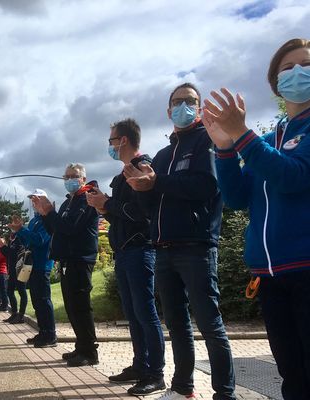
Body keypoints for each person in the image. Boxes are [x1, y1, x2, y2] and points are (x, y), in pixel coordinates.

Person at [202, 38, 310, 399]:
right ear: (274, 81)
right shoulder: (269, 137)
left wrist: (242, 135)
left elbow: (293, 176)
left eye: (306, 65)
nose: (297, 72)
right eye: (287, 67)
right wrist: (224, 147)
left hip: (306, 268)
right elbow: (236, 197)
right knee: (291, 373)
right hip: (270, 275)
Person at [124, 83, 235, 400]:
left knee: (210, 325)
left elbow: (207, 186)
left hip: (196, 246)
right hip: (163, 249)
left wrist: (158, 181)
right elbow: (150, 208)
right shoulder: (161, 155)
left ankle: (225, 394)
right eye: (177, 102)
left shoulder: (206, 142)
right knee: (177, 325)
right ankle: (183, 388)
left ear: (199, 108)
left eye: (190, 101)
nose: (183, 106)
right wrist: (141, 188)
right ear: (168, 109)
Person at [87, 119, 165, 396]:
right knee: (133, 314)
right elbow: (124, 213)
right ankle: (140, 365)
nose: (109, 145)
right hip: (125, 251)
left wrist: (107, 204)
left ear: (123, 140)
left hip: (140, 250)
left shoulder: (142, 168)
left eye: (111, 140)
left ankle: (155, 373)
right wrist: (104, 206)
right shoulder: (123, 174)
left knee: (145, 313)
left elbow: (141, 215)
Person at [32, 164, 99, 362]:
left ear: (83, 178)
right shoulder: (68, 202)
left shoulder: (87, 198)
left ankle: (89, 351)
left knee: (81, 306)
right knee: (71, 306)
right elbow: (57, 230)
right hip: (67, 260)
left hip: (81, 258)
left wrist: (50, 212)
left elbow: (70, 228)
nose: (69, 179)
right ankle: (81, 347)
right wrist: (45, 215)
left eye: (74, 176)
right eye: (66, 176)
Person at [10, 189, 56, 337]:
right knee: (36, 301)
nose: (34, 203)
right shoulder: (34, 220)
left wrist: (22, 230)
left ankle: (50, 333)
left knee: (43, 300)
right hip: (32, 266)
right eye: (32, 200)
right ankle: (43, 331)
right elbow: (26, 242)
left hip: (43, 264)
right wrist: (19, 231)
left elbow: (39, 240)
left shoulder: (46, 219)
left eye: (37, 199)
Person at [0, 230, 28, 323]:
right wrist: (2, 247)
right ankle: (14, 313)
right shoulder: (12, 239)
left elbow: (14, 253)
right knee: (9, 291)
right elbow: (8, 255)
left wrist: (3, 246)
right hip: (12, 270)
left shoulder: (20, 238)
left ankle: (21, 315)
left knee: (21, 292)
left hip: (19, 270)